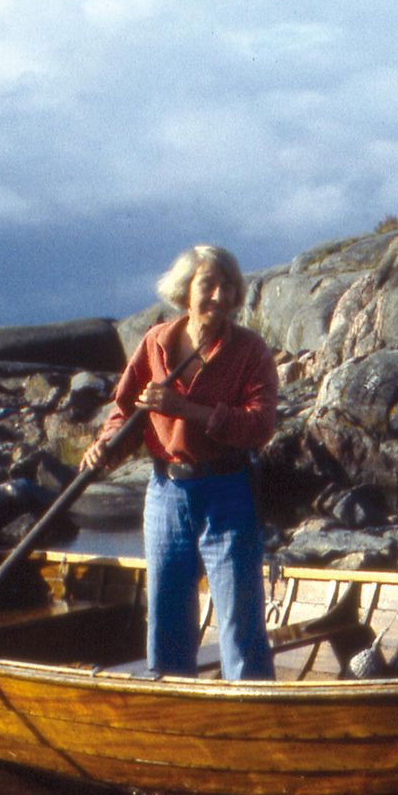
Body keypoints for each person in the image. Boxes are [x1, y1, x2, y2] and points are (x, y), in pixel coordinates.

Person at [80, 245, 280, 680]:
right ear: (185, 291)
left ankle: (249, 720)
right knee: (167, 617)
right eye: (209, 285)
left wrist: (186, 408)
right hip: (166, 494)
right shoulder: (156, 343)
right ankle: (173, 714)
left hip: (228, 492)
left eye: (229, 287)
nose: (220, 296)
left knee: (239, 624)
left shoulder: (250, 351)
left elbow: (260, 426)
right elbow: (126, 413)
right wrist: (106, 447)